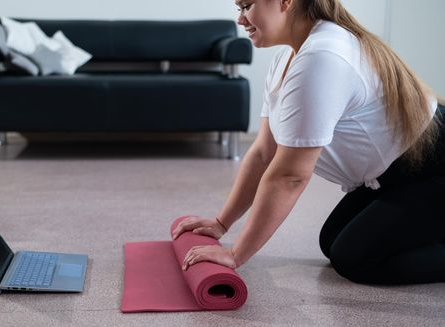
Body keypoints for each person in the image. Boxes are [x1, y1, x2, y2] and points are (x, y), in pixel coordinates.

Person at [171, 0, 445, 285]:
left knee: (354, 258)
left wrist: (236, 254)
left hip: (432, 166)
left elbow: (290, 176)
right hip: (395, 173)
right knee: (332, 241)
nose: (240, 19)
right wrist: (221, 223)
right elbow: (265, 153)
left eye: (246, 6)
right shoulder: (288, 58)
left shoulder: (323, 55)